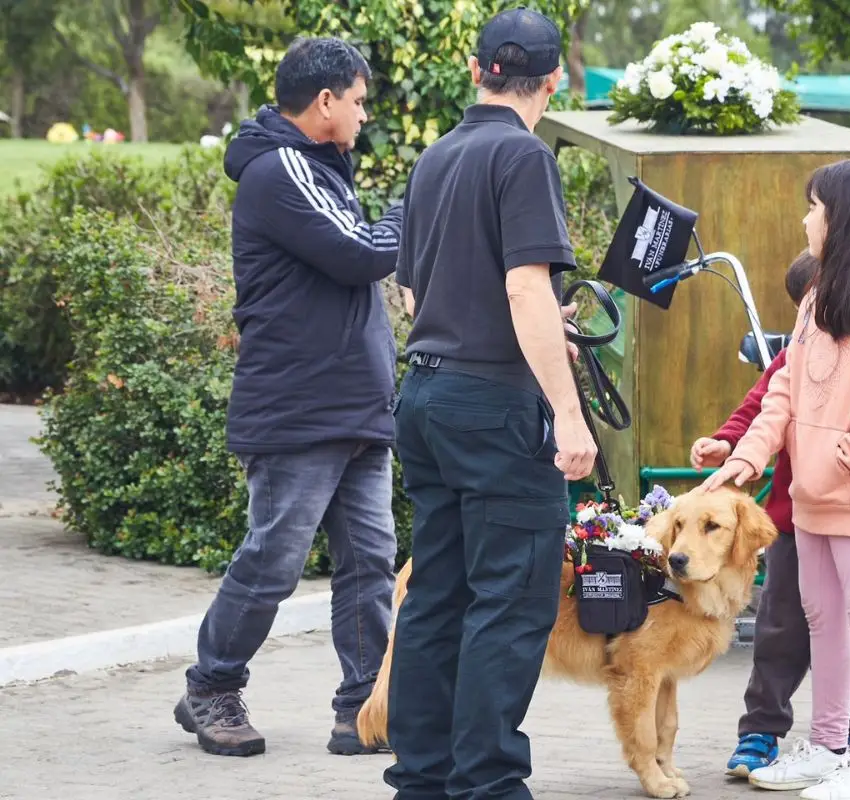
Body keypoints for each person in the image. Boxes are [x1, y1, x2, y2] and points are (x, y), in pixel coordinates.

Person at [385, 8, 597, 800]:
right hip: (495, 408)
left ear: (476, 72)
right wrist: (569, 414)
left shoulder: (436, 157)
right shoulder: (523, 156)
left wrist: (534, 330)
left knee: (439, 590)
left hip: (427, 394)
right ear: (553, 82)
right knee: (511, 599)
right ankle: (488, 783)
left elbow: (412, 292)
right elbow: (523, 284)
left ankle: (423, 778)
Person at [173, 36, 404, 758]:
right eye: (359, 101)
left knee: (370, 562)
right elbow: (361, 252)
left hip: (355, 409)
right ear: (326, 101)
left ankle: (362, 708)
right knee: (273, 560)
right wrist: (412, 208)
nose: (364, 116)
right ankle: (211, 687)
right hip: (300, 413)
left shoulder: (322, 171)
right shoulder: (281, 170)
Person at [700, 159, 850, 800]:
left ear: (847, 216)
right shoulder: (821, 292)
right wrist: (747, 458)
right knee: (823, 617)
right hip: (812, 498)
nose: (806, 218)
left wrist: (839, 461)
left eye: (815, 206)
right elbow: (782, 390)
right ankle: (829, 747)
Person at [692, 252, 850, 780]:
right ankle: (761, 730)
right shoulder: (794, 358)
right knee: (780, 626)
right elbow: (760, 410)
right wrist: (725, 442)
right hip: (793, 516)